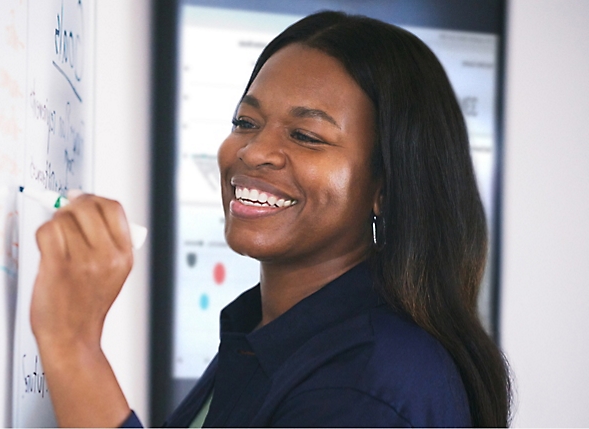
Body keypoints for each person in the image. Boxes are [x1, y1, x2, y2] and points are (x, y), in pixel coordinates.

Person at [30, 11, 511, 428]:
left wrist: (74, 345)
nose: (255, 151)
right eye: (246, 122)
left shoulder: (368, 381)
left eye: (306, 135)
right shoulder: (270, 334)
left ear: (386, 187)